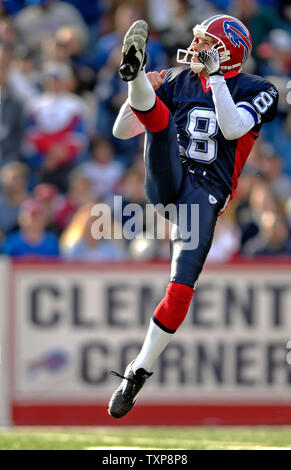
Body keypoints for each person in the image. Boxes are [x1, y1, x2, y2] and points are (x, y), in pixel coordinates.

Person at [108, 15, 279, 419]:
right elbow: (120, 130)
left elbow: (233, 127)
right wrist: (139, 83)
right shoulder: (176, 78)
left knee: (181, 290)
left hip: (204, 197)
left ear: (225, 51)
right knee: (162, 126)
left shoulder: (259, 89)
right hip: (170, 180)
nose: (195, 47)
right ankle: (131, 68)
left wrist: (217, 79)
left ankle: (138, 371)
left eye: (204, 42)